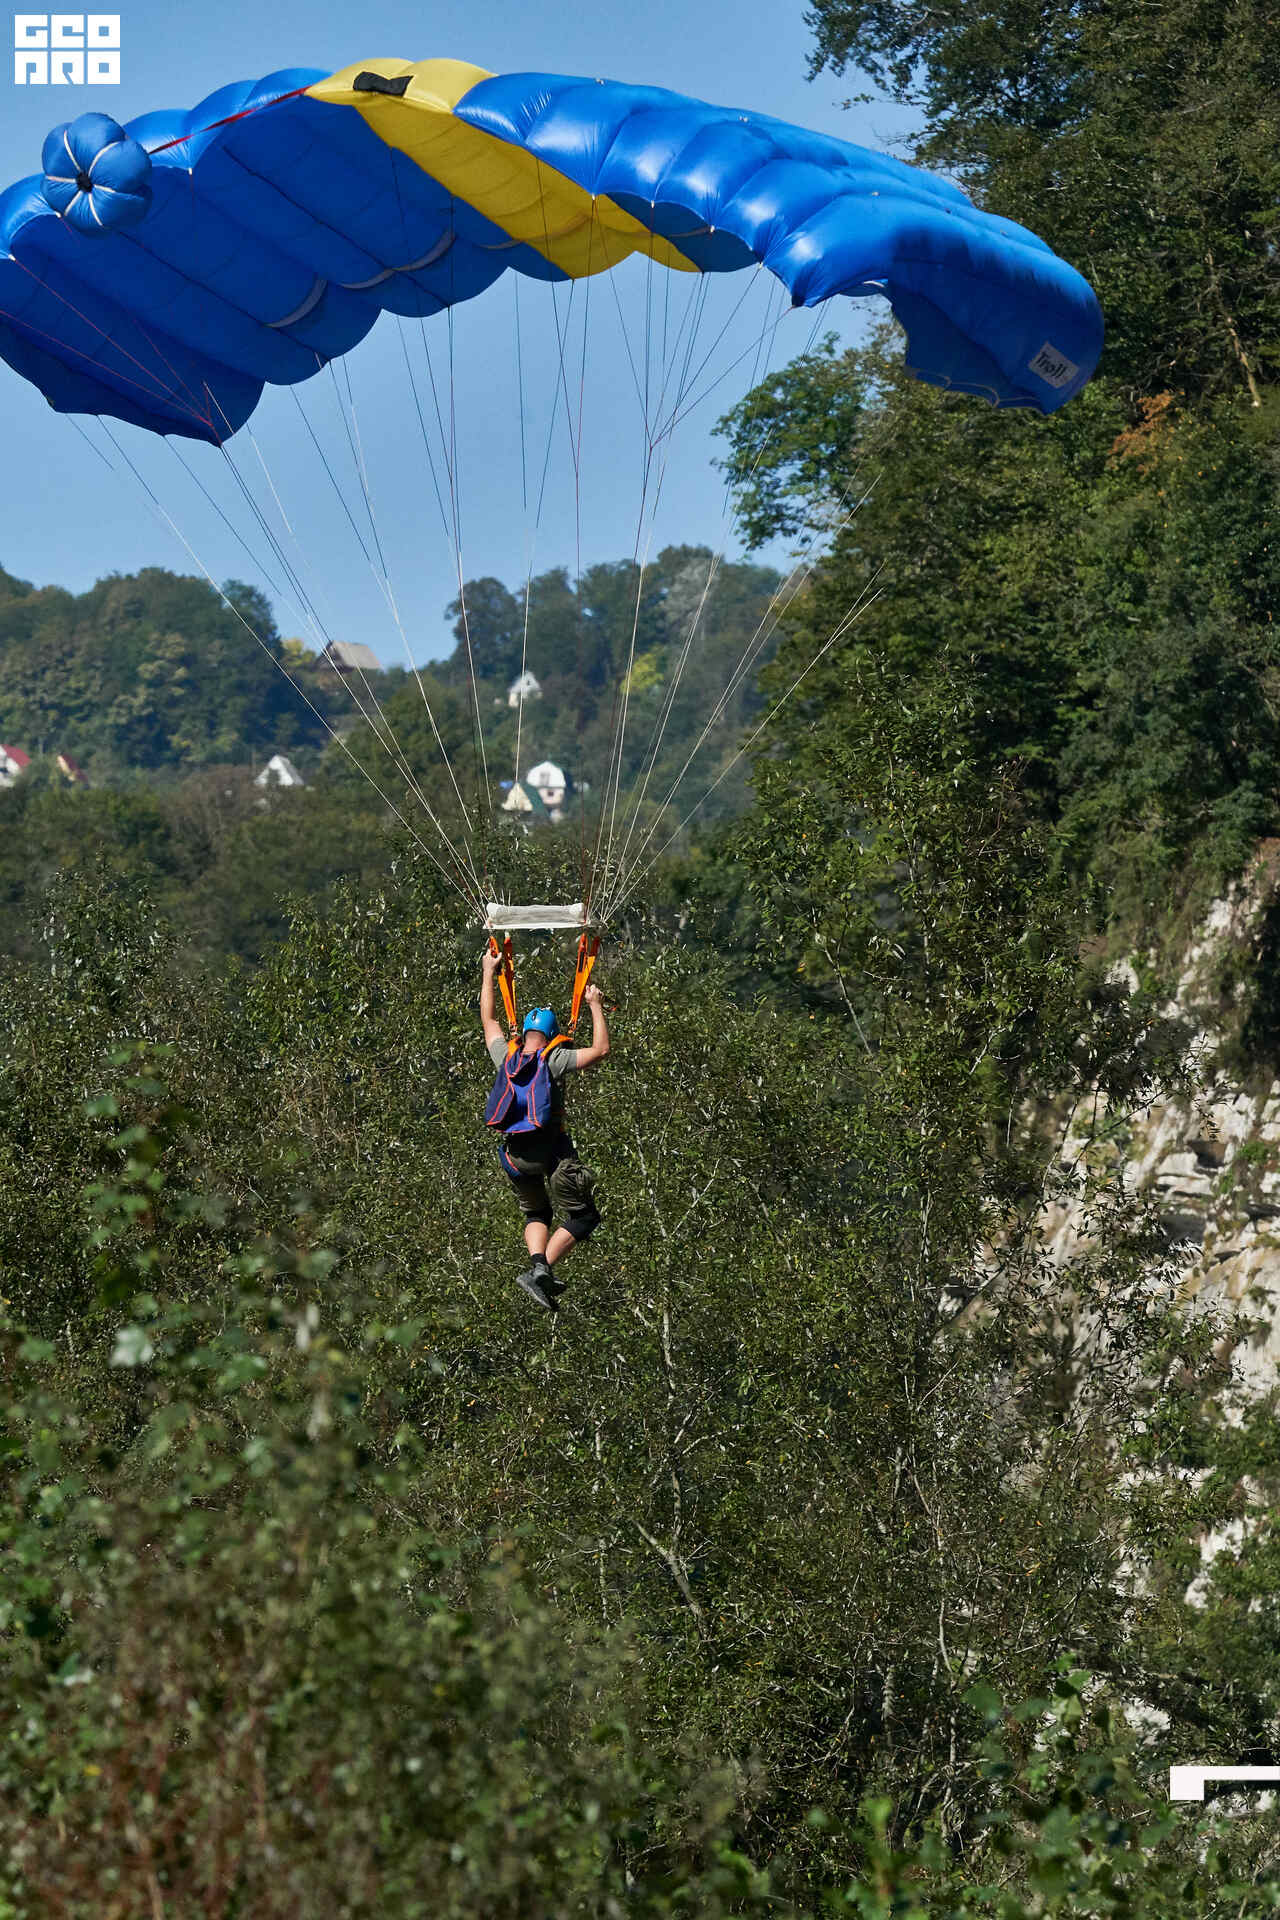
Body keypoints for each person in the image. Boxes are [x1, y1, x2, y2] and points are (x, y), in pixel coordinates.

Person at [480, 947, 609, 1311]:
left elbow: (488, 1020)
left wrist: (490, 971)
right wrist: (594, 1004)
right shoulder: (554, 1059)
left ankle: (538, 1267)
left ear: (523, 1032)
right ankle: (542, 1269)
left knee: (537, 1214)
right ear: (554, 1034)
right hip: (552, 1153)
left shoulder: (506, 1055)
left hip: (515, 1157)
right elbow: (600, 1050)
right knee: (585, 1216)